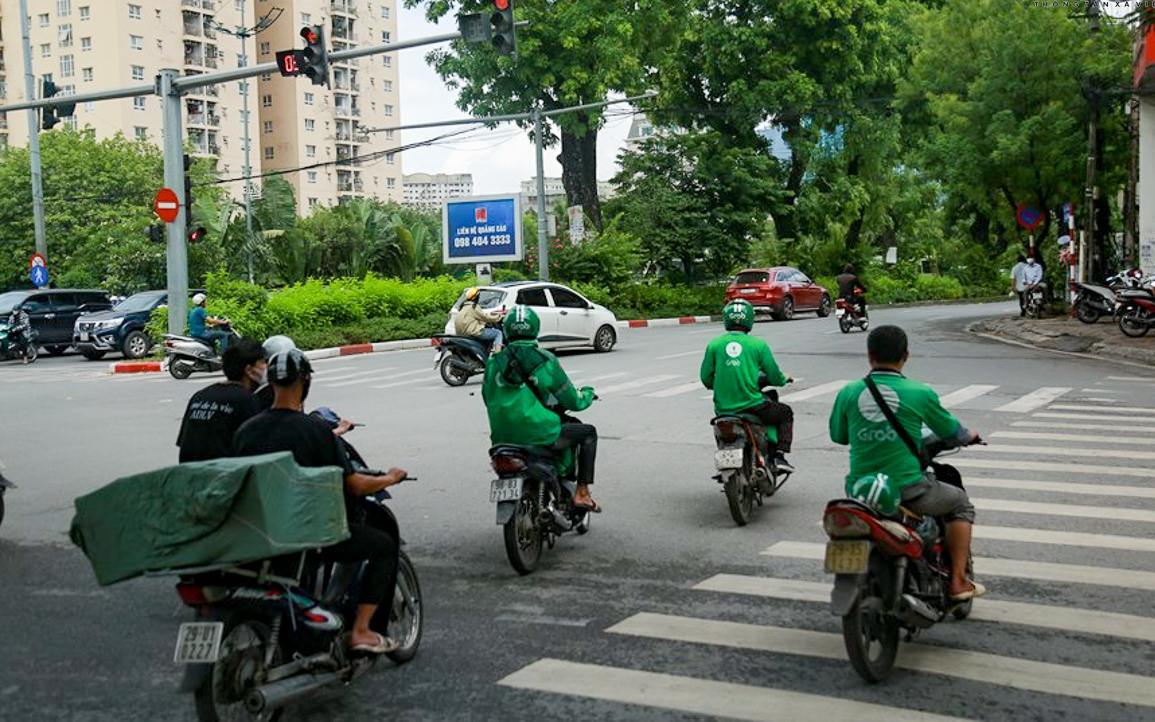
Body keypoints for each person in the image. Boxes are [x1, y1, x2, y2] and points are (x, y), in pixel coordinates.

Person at [233, 348, 408, 655]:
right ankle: (362, 631)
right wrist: (389, 479)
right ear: (305, 382)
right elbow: (353, 485)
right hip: (309, 534)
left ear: (270, 383)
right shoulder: (316, 430)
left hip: (259, 533)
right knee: (383, 544)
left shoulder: (246, 431)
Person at [828, 325, 984, 602]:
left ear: (870, 355)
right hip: (908, 488)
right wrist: (969, 435)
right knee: (960, 504)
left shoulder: (849, 392)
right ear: (906, 355)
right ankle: (958, 581)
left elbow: (839, 436)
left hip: (859, 490)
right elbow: (952, 433)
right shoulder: (919, 392)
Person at [482, 305, 601, 511]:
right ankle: (582, 492)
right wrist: (588, 394)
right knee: (588, 432)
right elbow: (572, 400)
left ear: (507, 330)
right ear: (535, 328)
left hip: (502, 437)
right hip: (540, 433)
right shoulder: (545, 360)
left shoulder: (494, 363)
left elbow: (487, 396)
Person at [701, 299, 796, 472]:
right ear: (749, 319)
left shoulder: (714, 344)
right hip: (752, 406)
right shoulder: (758, 345)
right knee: (785, 413)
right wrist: (784, 378)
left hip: (724, 409)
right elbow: (774, 376)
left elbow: (706, 379)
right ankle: (780, 456)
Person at [175, 338, 266, 462]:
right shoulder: (247, 400)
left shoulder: (199, 396)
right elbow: (259, 451)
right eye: (262, 362)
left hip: (191, 476)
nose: (266, 367)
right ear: (249, 370)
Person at [454, 287, 505, 355]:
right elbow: (485, 318)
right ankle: (498, 356)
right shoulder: (473, 307)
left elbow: (478, 317)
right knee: (498, 333)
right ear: (476, 297)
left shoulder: (463, 306)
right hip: (472, 332)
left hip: (462, 333)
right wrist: (499, 316)